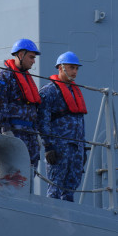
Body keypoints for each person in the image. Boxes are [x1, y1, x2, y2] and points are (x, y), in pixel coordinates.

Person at [38, 52, 87, 201]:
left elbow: (80, 121)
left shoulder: (75, 92)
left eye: (76, 68)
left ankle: (68, 215)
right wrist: (48, 147)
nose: (75, 71)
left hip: (76, 148)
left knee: (71, 189)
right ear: (61, 68)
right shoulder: (49, 91)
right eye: (71, 67)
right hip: (59, 147)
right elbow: (43, 120)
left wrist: (83, 147)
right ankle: (51, 214)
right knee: (55, 188)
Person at [0, 38, 42, 168]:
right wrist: (6, 130)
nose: (33, 61)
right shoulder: (4, 76)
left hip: (30, 135)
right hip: (14, 134)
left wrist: (36, 132)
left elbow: (33, 109)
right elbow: (0, 104)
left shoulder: (27, 79)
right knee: (14, 172)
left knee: (30, 171)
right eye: (31, 57)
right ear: (20, 55)